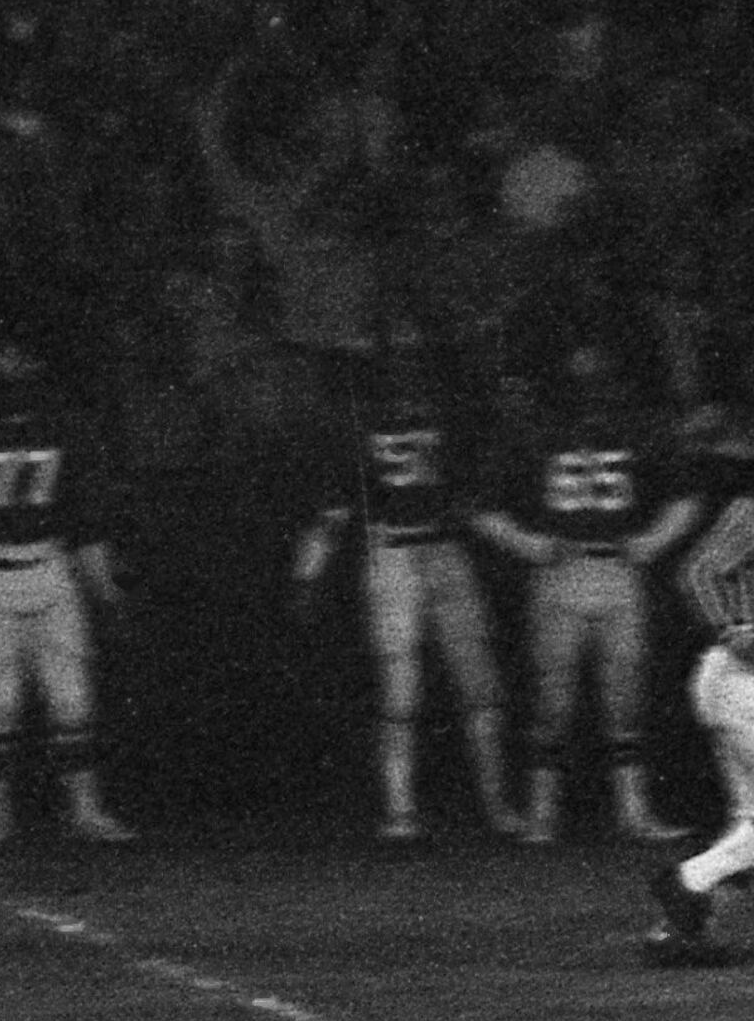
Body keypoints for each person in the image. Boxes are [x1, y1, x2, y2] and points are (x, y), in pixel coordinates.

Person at [287, 329, 525, 842]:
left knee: (478, 685)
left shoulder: (448, 419)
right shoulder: (358, 429)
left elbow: (471, 495)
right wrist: (309, 574)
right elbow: (332, 513)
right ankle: (401, 810)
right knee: (402, 689)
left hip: (442, 551)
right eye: (398, 360)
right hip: (393, 552)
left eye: (414, 359)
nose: (406, 370)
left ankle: (495, 805)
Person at [0, 333, 138, 850]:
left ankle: (85, 808)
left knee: (73, 698)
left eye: (20, 352)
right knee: (0, 702)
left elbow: (84, 523)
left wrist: (105, 592)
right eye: (2, 351)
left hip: (49, 564)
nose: (10, 363)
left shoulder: (64, 424)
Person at [475, 339, 703, 845]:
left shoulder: (641, 430)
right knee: (552, 699)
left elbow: (686, 497)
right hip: (561, 572)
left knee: (626, 698)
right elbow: (482, 507)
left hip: (617, 571)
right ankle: (542, 812)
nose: (591, 390)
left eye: (599, 378)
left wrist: (651, 542)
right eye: (581, 379)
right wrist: (527, 543)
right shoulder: (534, 434)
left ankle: (633, 810)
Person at [640, 483, 754, 965]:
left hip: (732, 684)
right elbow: (700, 571)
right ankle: (688, 884)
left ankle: (685, 914)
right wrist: (732, 629)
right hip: (739, 679)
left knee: (750, 822)